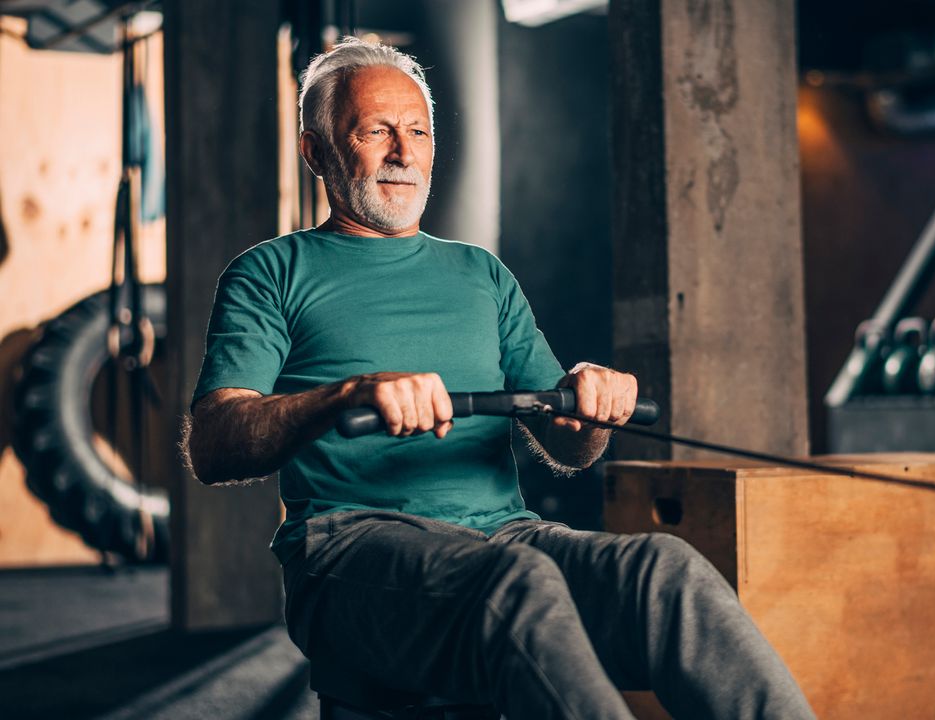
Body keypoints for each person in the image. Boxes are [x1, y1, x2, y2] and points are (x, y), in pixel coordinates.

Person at [183, 37, 815, 720]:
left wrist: (588, 409)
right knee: (517, 583)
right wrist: (346, 395)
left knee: (668, 571)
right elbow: (214, 444)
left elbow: (568, 445)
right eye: (376, 131)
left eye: (418, 131)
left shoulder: (481, 274)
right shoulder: (271, 273)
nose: (404, 152)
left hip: (504, 535)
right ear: (317, 152)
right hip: (348, 546)